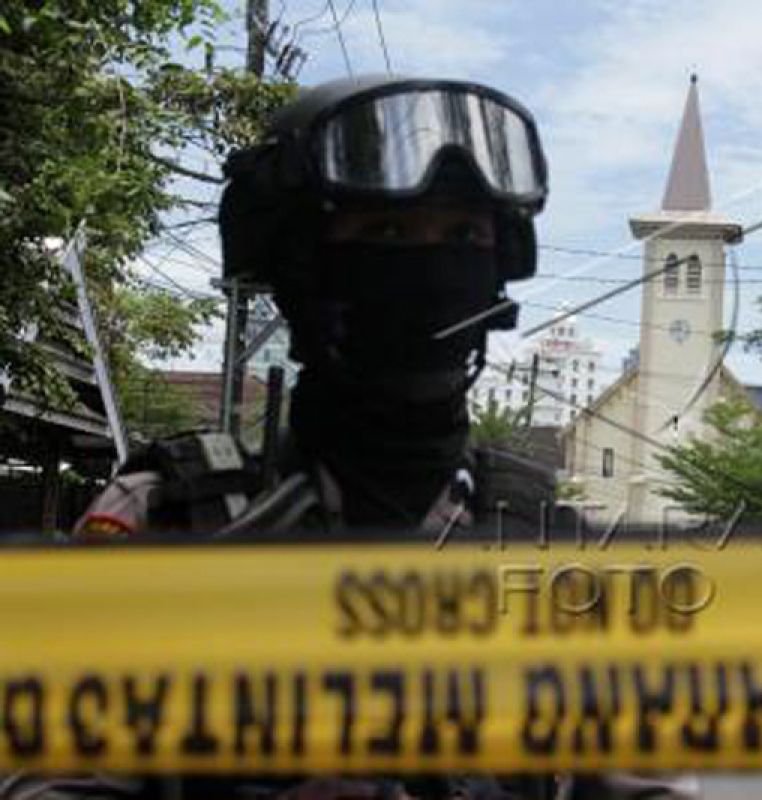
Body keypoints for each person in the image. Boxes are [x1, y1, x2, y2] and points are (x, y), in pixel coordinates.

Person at [40, 76, 698, 800]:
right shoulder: (168, 518)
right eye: (386, 233)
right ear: (301, 267)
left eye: (462, 237)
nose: (432, 271)